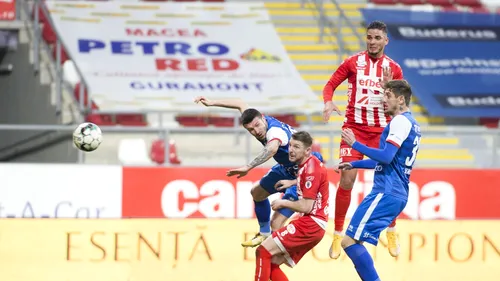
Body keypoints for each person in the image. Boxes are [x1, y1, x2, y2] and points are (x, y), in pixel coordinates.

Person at [194, 96, 324, 248]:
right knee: (256, 192)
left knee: (276, 223)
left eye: (257, 126)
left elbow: (272, 148)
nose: (256, 131)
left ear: (262, 118)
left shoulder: (275, 132)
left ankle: (280, 256)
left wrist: (248, 167)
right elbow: (240, 103)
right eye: (251, 129)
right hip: (286, 167)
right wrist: (212, 103)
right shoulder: (256, 120)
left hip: (303, 172)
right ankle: (263, 234)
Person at [322, 20, 404, 259]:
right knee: (347, 179)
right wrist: (328, 101)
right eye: (369, 37)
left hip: (382, 130)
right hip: (354, 128)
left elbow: (402, 100)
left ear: (385, 41)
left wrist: (388, 87)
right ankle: (338, 234)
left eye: (377, 38)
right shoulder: (352, 62)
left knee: (389, 181)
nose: (372, 42)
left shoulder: (394, 68)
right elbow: (330, 85)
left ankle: (391, 229)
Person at [336, 80, 421, 281]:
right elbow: (386, 162)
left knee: (349, 241)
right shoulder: (413, 124)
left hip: (386, 191)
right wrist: (354, 164)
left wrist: (355, 144)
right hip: (396, 193)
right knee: (354, 242)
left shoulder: (400, 121)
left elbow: (386, 157)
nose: (383, 100)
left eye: (388, 95)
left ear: (401, 99)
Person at [254, 131, 329, 281]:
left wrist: (282, 202)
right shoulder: (309, 163)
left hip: (310, 224)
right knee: (273, 262)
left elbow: (306, 206)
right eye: (290, 146)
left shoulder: (310, 170)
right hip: (315, 225)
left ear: (308, 150)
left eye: (297, 147)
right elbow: (313, 180)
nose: (291, 150)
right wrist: (293, 182)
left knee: (263, 251)